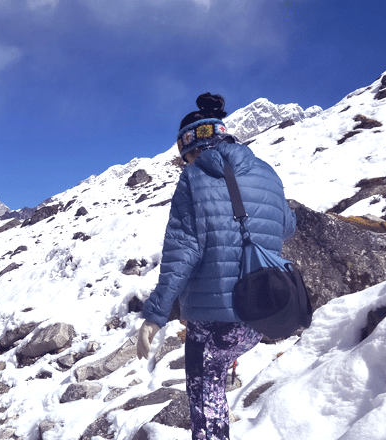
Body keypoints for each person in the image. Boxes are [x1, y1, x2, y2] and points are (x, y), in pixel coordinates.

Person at [136, 92, 296, 440]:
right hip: (261, 311)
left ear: (192, 148)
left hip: (213, 321)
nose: (186, 164)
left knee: (206, 401)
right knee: (217, 379)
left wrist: (155, 314)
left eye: (185, 157)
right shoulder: (267, 172)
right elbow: (287, 226)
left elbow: (182, 251)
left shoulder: (193, 179)